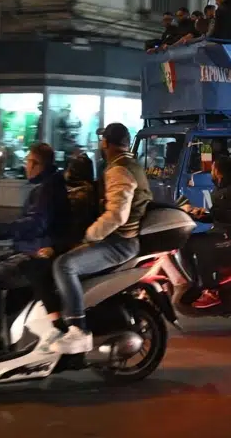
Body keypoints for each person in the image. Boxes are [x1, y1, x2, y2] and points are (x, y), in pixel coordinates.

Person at [44, 123, 152, 354]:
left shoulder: (119, 169)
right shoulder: (130, 164)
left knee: (64, 266)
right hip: (120, 239)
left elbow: (117, 215)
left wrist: (89, 236)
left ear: (106, 143)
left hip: (119, 242)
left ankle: (78, 330)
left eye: (103, 140)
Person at [0, 143, 69, 354]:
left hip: (36, 252)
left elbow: (35, 224)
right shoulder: (44, 185)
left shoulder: (47, 189)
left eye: (29, 162)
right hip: (27, 247)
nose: (26, 166)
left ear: (39, 164)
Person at [183, 155, 231, 308]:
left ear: (220, 171)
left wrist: (210, 215)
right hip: (221, 231)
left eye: (213, 168)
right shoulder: (222, 187)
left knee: (203, 247)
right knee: (187, 242)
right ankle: (194, 285)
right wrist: (199, 214)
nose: (211, 172)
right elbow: (218, 215)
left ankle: (211, 290)